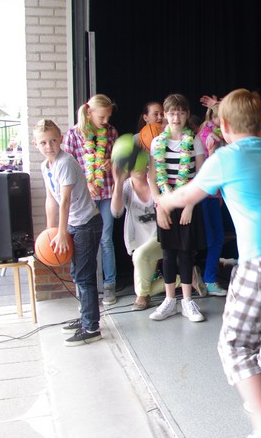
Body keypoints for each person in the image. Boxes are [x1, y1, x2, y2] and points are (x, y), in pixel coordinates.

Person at [155, 88, 261, 438]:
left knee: (234, 346)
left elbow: (186, 195)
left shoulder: (227, 157)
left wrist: (162, 200)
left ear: (223, 125)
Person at [34, 119, 104, 346]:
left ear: (61, 139)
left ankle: (91, 327)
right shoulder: (46, 166)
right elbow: (51, 199)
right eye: (43, 142)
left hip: (86, 223)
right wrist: (51, 230)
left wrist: (62, 232)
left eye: (53, 140)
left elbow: (64, 201)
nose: (49, 146)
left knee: (84, 275)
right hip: (73, 223)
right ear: (36, 144)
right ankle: (85, 316)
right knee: (76, 273)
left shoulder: (65, 163)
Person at [147, 93, 207, 324]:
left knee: (185, 252)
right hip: (165, 203)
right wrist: (160, 206)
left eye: (181, 113)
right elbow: (153, 177)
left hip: (188, 203)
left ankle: (187, 301)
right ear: (165, 115)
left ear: (187, 114)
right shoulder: (157, 142)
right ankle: (169, 300)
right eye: (172, 113)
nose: (176, 117)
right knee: (168, 253)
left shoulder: (194, 141)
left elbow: (200, 176)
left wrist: (190, 205)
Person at [62, 94, 119, 306]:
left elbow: (119, 158)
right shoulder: (74, 134)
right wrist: (86, 183)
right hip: (84, 197)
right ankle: (84, 288)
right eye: (102, 117)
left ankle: (110, 284)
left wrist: (110, 161)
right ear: (90, 113)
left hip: (106, 192)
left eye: (108, 117)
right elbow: (68, 166)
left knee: (106, 240)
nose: (106, 121)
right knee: (83, 243)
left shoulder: (111, 132)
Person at [111, 164, 165, 311]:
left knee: (140, 258)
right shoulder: (127, 186)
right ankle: (184, 279)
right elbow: (116, 212)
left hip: (159, 237)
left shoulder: (156, 181)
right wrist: (118, 183)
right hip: (137, 239)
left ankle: (141, 296)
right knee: (144, 286)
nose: (138, 168)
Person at [197, 103, 226, 296]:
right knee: (212, 238)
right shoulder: (208, 136)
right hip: (204, 194)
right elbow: (210, 166)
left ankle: (209, 278)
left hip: (214, 194)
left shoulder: (220, 135)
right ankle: (204, 278)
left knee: (217, 237)